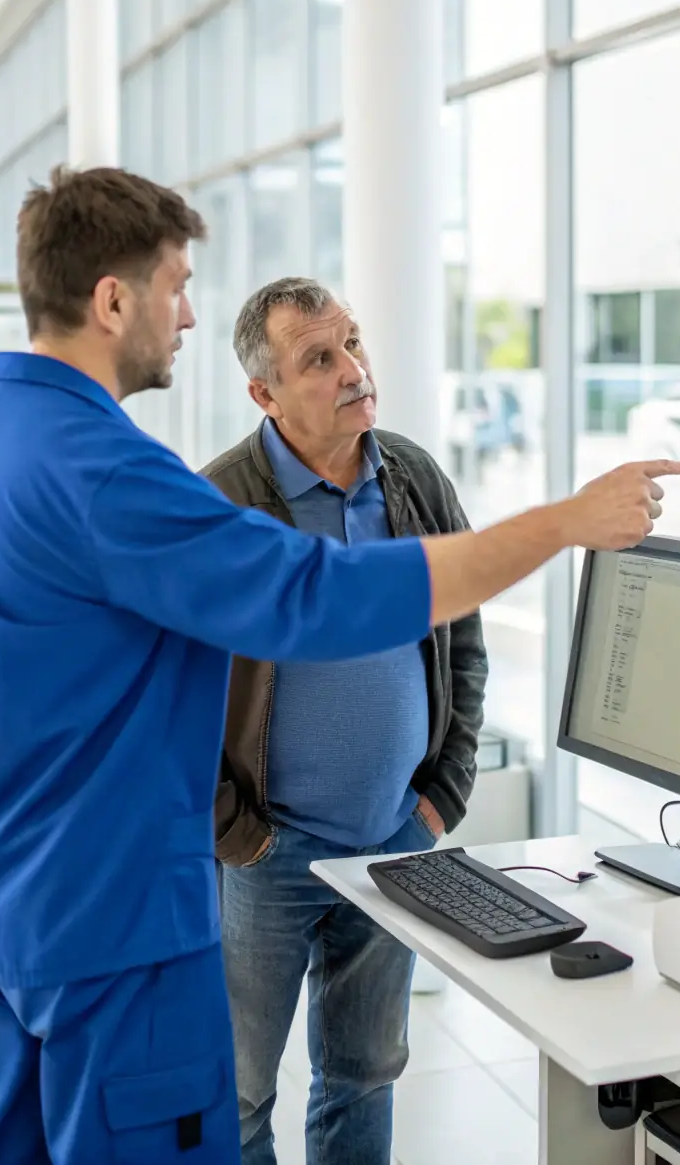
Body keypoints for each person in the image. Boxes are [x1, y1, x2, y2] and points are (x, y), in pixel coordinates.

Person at [0, 166, 680, 1165]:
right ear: (111, 299)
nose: (184, 317)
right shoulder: (111, 474)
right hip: (123, 949)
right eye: (175, 285)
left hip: (7, 939)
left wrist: (8, 886)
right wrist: (565, 522)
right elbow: (320, 598)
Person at [201, 277, 487, 1165]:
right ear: (265, 393)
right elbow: (169, 697)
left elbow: (465, 636)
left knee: (364, 1073)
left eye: (353, 343)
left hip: (392, 839)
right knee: (238, 1089)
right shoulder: (220, 504)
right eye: (319, 358)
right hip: (266, 852)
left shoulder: (411, 476)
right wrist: (232, 829)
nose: (354, 369)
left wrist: (441, 793)